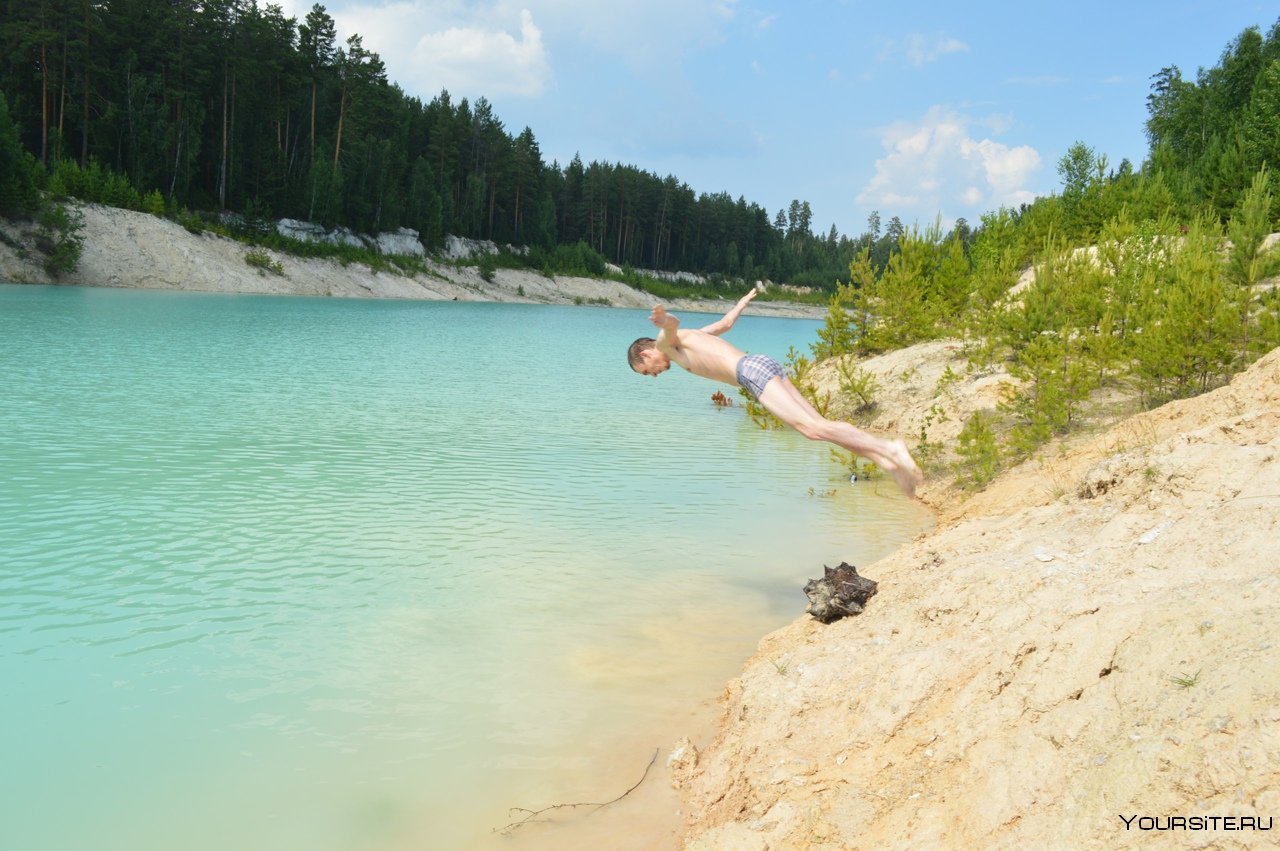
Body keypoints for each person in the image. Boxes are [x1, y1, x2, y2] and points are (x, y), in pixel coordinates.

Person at [627, 289, 924, 497]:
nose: (652, 375)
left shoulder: (666, 344)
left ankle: (891, 450)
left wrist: (663, 319)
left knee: (813, 429)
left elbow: (672, 326)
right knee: (820, 427)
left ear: (645, 353)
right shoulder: (691, 338)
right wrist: (742, 303)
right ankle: (886, 462)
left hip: (750, 373)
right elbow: (725, 323)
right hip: (762, 363)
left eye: (646, 370)